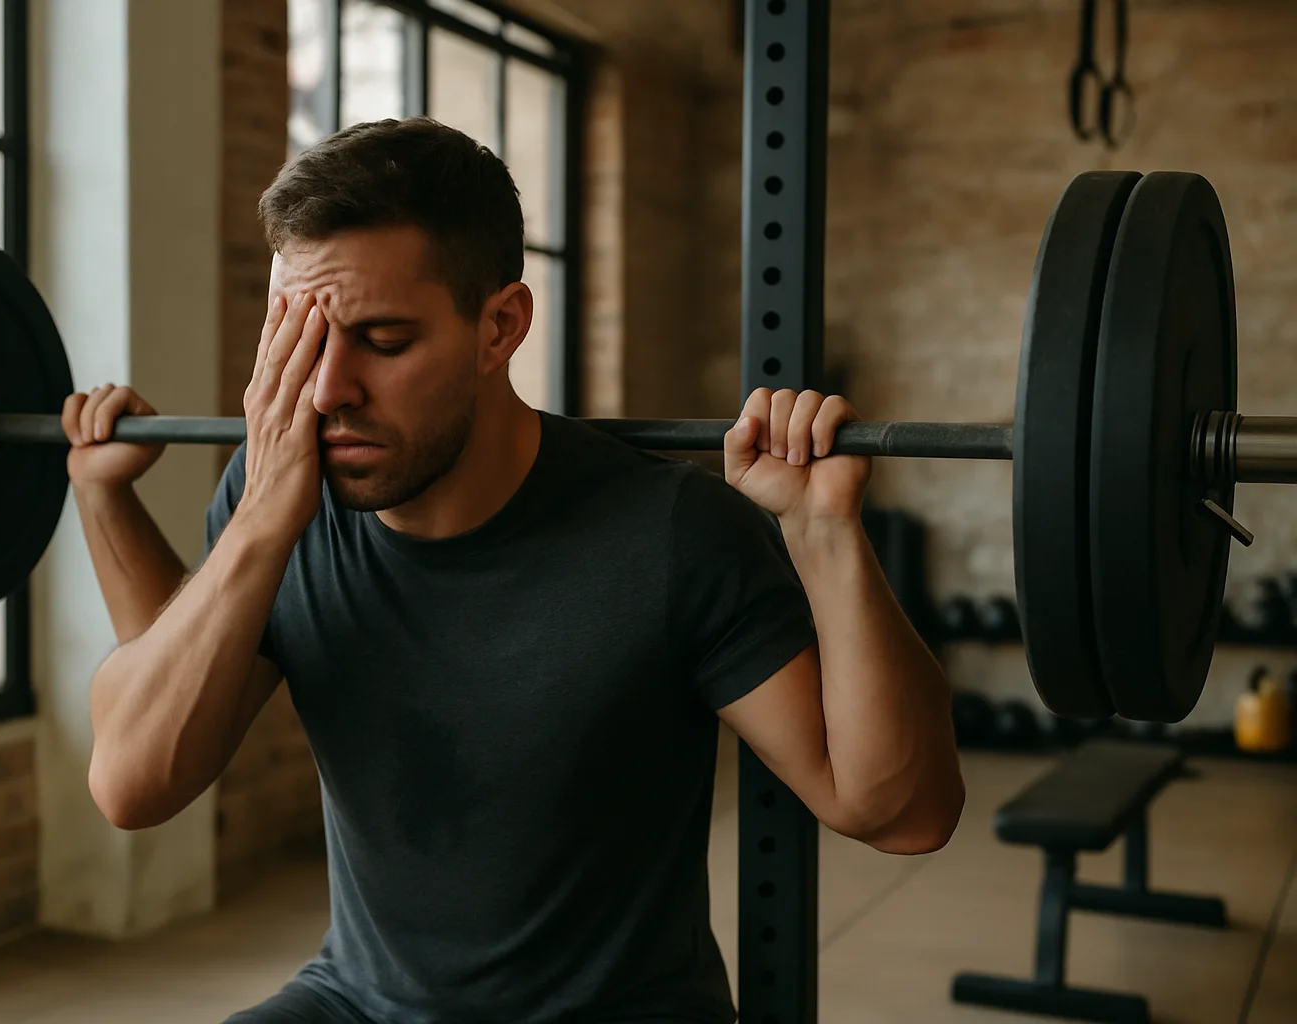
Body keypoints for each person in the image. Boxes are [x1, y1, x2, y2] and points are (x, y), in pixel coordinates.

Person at [68, 117, 964, 1024]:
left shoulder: (668, 533)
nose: (328, 391)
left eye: (383, 341)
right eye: (298, 341)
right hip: (360, 1003)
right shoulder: (281, 502)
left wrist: (825, 534)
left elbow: (900, 811)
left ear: (500, 326)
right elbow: (141, 774)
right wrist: (170, 509)